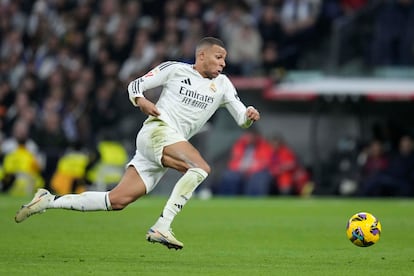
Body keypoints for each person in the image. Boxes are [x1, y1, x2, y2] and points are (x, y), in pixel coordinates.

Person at [14, 37, 260, 250]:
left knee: (116, 201)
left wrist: (248, 115)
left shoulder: (224, 84)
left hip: (170, 142)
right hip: (157, 132)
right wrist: (140, 101)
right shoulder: (175, 69)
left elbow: (240, 117)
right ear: (202, 55)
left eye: (224, 59)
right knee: (200, 168)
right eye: (219, 57)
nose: (223, 63)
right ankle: (162, 226)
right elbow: (136, 85)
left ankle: (48, 200)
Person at [218, 127, 274, 196]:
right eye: (247, 135)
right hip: (240, 170)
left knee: (259, 178)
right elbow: (233, 161)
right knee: (229, 176)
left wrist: (251, 169)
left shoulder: (264, 145)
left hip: (257, 171)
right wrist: (240, 167)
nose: (248, 138)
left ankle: (254, 202)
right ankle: (227, 200)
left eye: (251, 136)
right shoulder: (239, 145)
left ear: (256, 136)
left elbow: (265, 162)